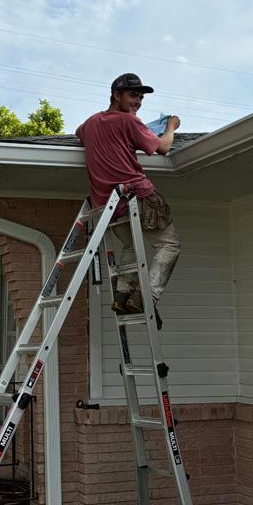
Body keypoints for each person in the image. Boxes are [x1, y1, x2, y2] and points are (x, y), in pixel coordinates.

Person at [75, 73, 181, 328]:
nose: (138, 102)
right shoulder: (129, 122)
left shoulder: (89, 124)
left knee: (130, 247)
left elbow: (79, 133)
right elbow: (163, 148)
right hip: (138, 195)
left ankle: (123, 295)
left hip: (108, 205)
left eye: (141, 98)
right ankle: (147, 295)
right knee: (169, 245)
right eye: (133, 95)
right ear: (116, 95)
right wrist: (171, 127)